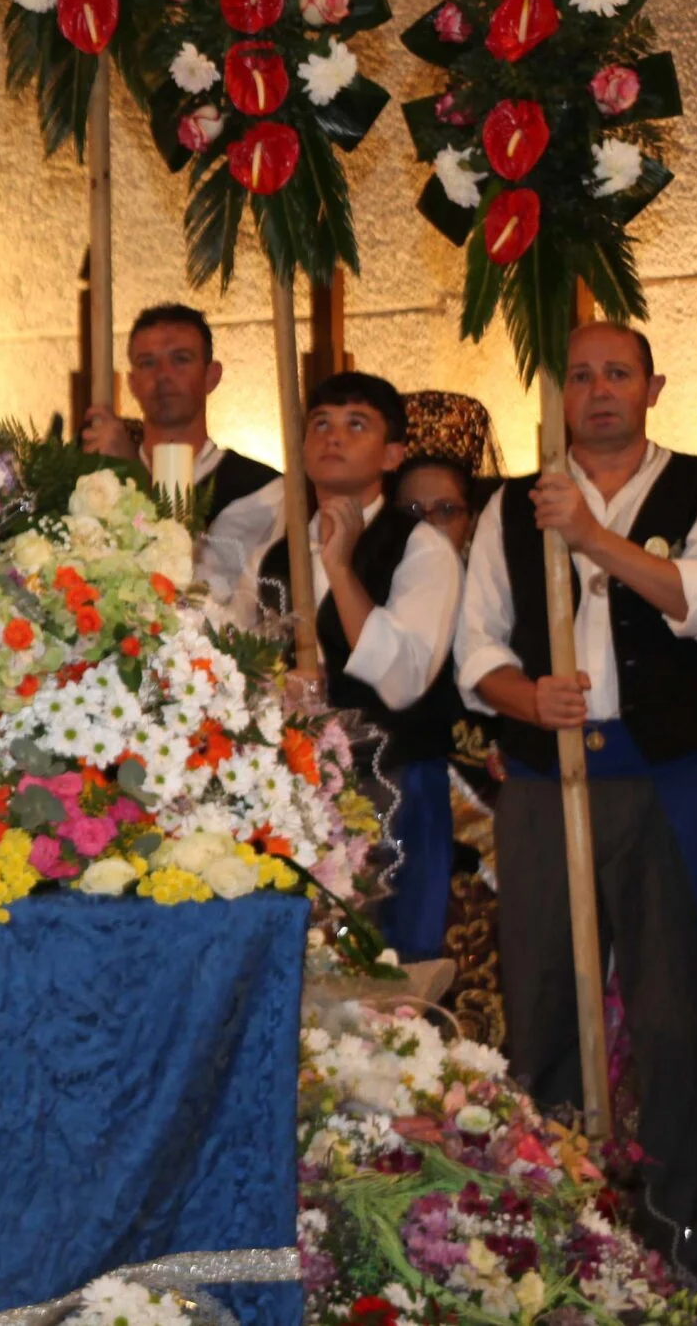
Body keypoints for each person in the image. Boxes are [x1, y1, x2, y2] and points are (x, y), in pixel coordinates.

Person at [451, 320, 697, 1282]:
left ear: (654, 385)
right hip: (549, 784)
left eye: (617, 372)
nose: (599, 390)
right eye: (579, 375)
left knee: (675, 1018)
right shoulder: (512, 503)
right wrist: (527, 698)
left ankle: (680, 1257)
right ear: (557, 395)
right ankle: (549, 1254)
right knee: (540, 1012)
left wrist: (591, 535)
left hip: (667, 778)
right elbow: (477, 653)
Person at [228, 374, 464, 959]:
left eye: (356, 424)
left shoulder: (421, 547)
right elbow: (237, 664)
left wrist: (338, 565)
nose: (333, 437)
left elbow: (404, 679)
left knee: (392, 963)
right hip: (298, 792)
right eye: (321, 424)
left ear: (392, 453)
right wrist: (280, 691)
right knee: (308, 962)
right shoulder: (271, 555)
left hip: (396, 782)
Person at [80, 304, 280, 597]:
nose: (163, 375)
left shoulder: (262, 489)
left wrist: (133, 475)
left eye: (181, 360)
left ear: (211, 376)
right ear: (132, 383)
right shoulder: (95, 480)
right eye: (147, 363)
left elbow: (206, 590)